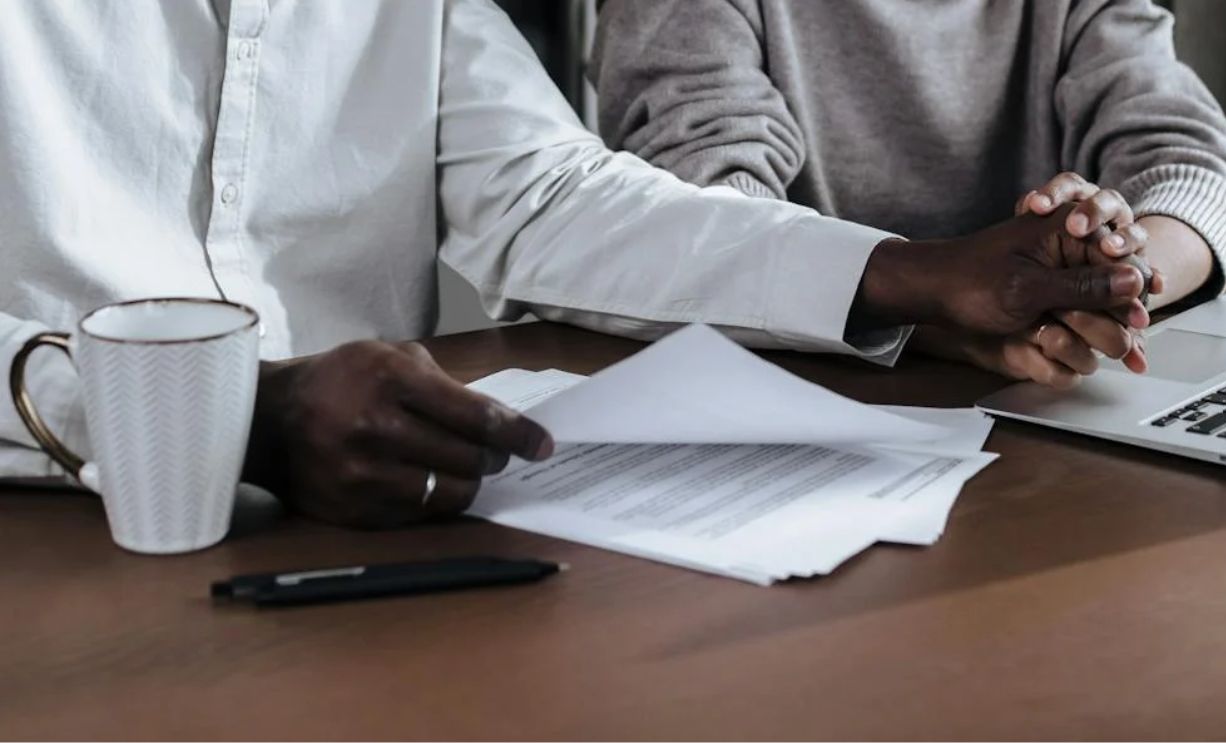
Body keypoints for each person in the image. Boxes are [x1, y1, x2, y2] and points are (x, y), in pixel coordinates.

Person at [1, 0, 1146, 528]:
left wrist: (900, 274)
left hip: (377, 530)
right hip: (51, 551)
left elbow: (553, 195)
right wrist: (231, 417)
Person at [592, 0, 1226, 389]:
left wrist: (1114, 276)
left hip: (1040, 399)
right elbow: (708, 223)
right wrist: (936, 316)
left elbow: (1195, 165)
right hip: (804, 396)